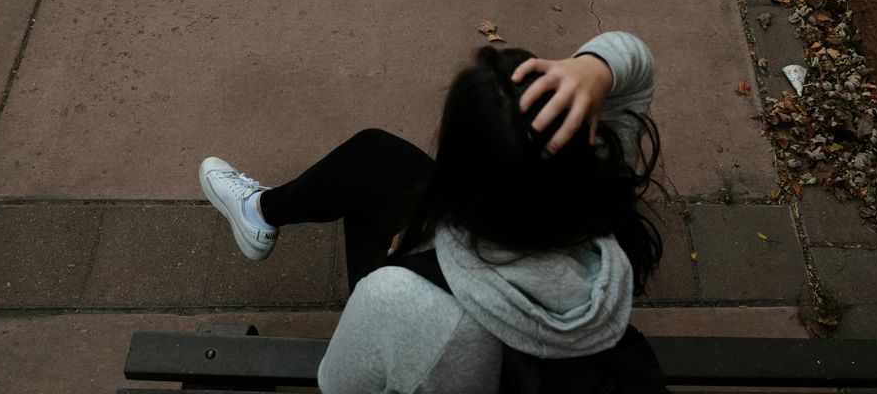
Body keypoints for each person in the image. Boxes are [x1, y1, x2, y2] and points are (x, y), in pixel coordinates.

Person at [199, 31, 663, 393]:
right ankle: (261, 212)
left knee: (368, 180)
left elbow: (337, 384)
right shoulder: (603, 206)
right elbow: (636, 62)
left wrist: (417, 258)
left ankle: (260, 214)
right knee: (372, 157)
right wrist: (594, 68)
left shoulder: (401, 299)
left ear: (459, 176)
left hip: (452, 319)